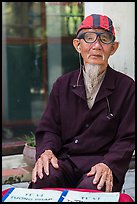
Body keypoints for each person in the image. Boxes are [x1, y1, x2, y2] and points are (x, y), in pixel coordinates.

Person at [28, 14, 135, 192]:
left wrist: (109, 164)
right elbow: (49, 129)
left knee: (92, 187)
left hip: (101, 164)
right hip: (66, 161)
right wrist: (46, 152)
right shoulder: (63, 84)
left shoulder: (127, 87)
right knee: (44, 177)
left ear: (113, 48)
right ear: (78, 45)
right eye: (89, 38)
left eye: (104, 39)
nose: (96, 46)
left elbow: (127, 138)